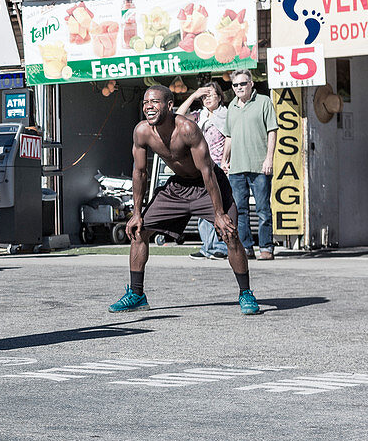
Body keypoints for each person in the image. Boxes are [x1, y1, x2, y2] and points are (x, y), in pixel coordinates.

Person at [108, 85, 260, 316]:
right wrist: (137, 213)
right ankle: (137, 294)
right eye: (146, 103)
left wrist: (219, 213)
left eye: (155, 102)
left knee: (230, 233)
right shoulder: (142, 132)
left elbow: (208, 172)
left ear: (169, 106)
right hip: (178, 187)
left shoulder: (188, 129)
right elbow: (139, 173)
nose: (149, 106)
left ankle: (245, 293)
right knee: (140, 231)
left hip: (208, 185)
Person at [222, 70, 278, 261]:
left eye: (243, 84)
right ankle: (246, 248)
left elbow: (272, 131)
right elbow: (229, 136)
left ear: (251, 84)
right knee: (240, 211)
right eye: (236, 85)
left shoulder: (264, 102)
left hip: (259, 167)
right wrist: (224, 159)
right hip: (237, 168)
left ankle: (266, 248)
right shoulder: (231, 106)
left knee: (263, 209)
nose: (239, 88)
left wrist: (269, 158)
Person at [176, 82, 229, 260]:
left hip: (220, 167)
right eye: (204, 96)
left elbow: (232, 138)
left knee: (221, 207)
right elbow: (176, 117)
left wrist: (226, 162)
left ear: (220, 97)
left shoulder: (226, 115)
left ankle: (221, 246)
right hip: (200, 168)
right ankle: (208, 246)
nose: (206, 99)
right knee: (203, 208)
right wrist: (193, 96)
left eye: (210, 95)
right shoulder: (199, 116)